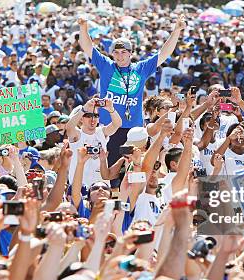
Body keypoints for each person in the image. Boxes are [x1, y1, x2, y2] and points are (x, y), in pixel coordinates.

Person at [77, 15, 186, 176]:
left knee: (135, 172)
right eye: (116, 52)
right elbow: (87, 46)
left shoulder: (140, 68)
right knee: (109, 172)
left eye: (124, 52)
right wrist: (83, 27)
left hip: (134, 130)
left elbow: (164, 53)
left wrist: (176, 30)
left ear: (130, 53)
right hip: (110, 128)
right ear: (112, 53)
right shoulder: (107, 66)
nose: (120, 56)